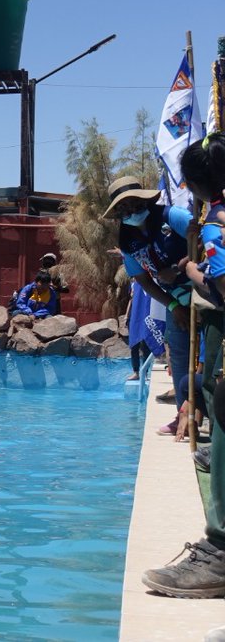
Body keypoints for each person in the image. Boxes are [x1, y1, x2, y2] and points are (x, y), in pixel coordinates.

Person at [142, 133, 225, 599]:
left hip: (217, 322)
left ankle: (221, 551)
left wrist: (192, 274)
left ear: (193, 185)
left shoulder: (215, 223)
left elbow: (222, 288)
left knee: (221, 402)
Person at [104, 174, 195, 415]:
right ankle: (184, 414)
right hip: (175, 299)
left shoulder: (171, 216)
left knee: (207, 355)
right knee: (179, 353)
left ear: (145, 200)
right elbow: (143, 281)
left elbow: (204, 239)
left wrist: (178, 267)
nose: (131, 209)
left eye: (135, 202)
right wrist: (174, 306)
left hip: (204, 291)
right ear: (118, 212)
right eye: (124, 206)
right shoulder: (127, 241)